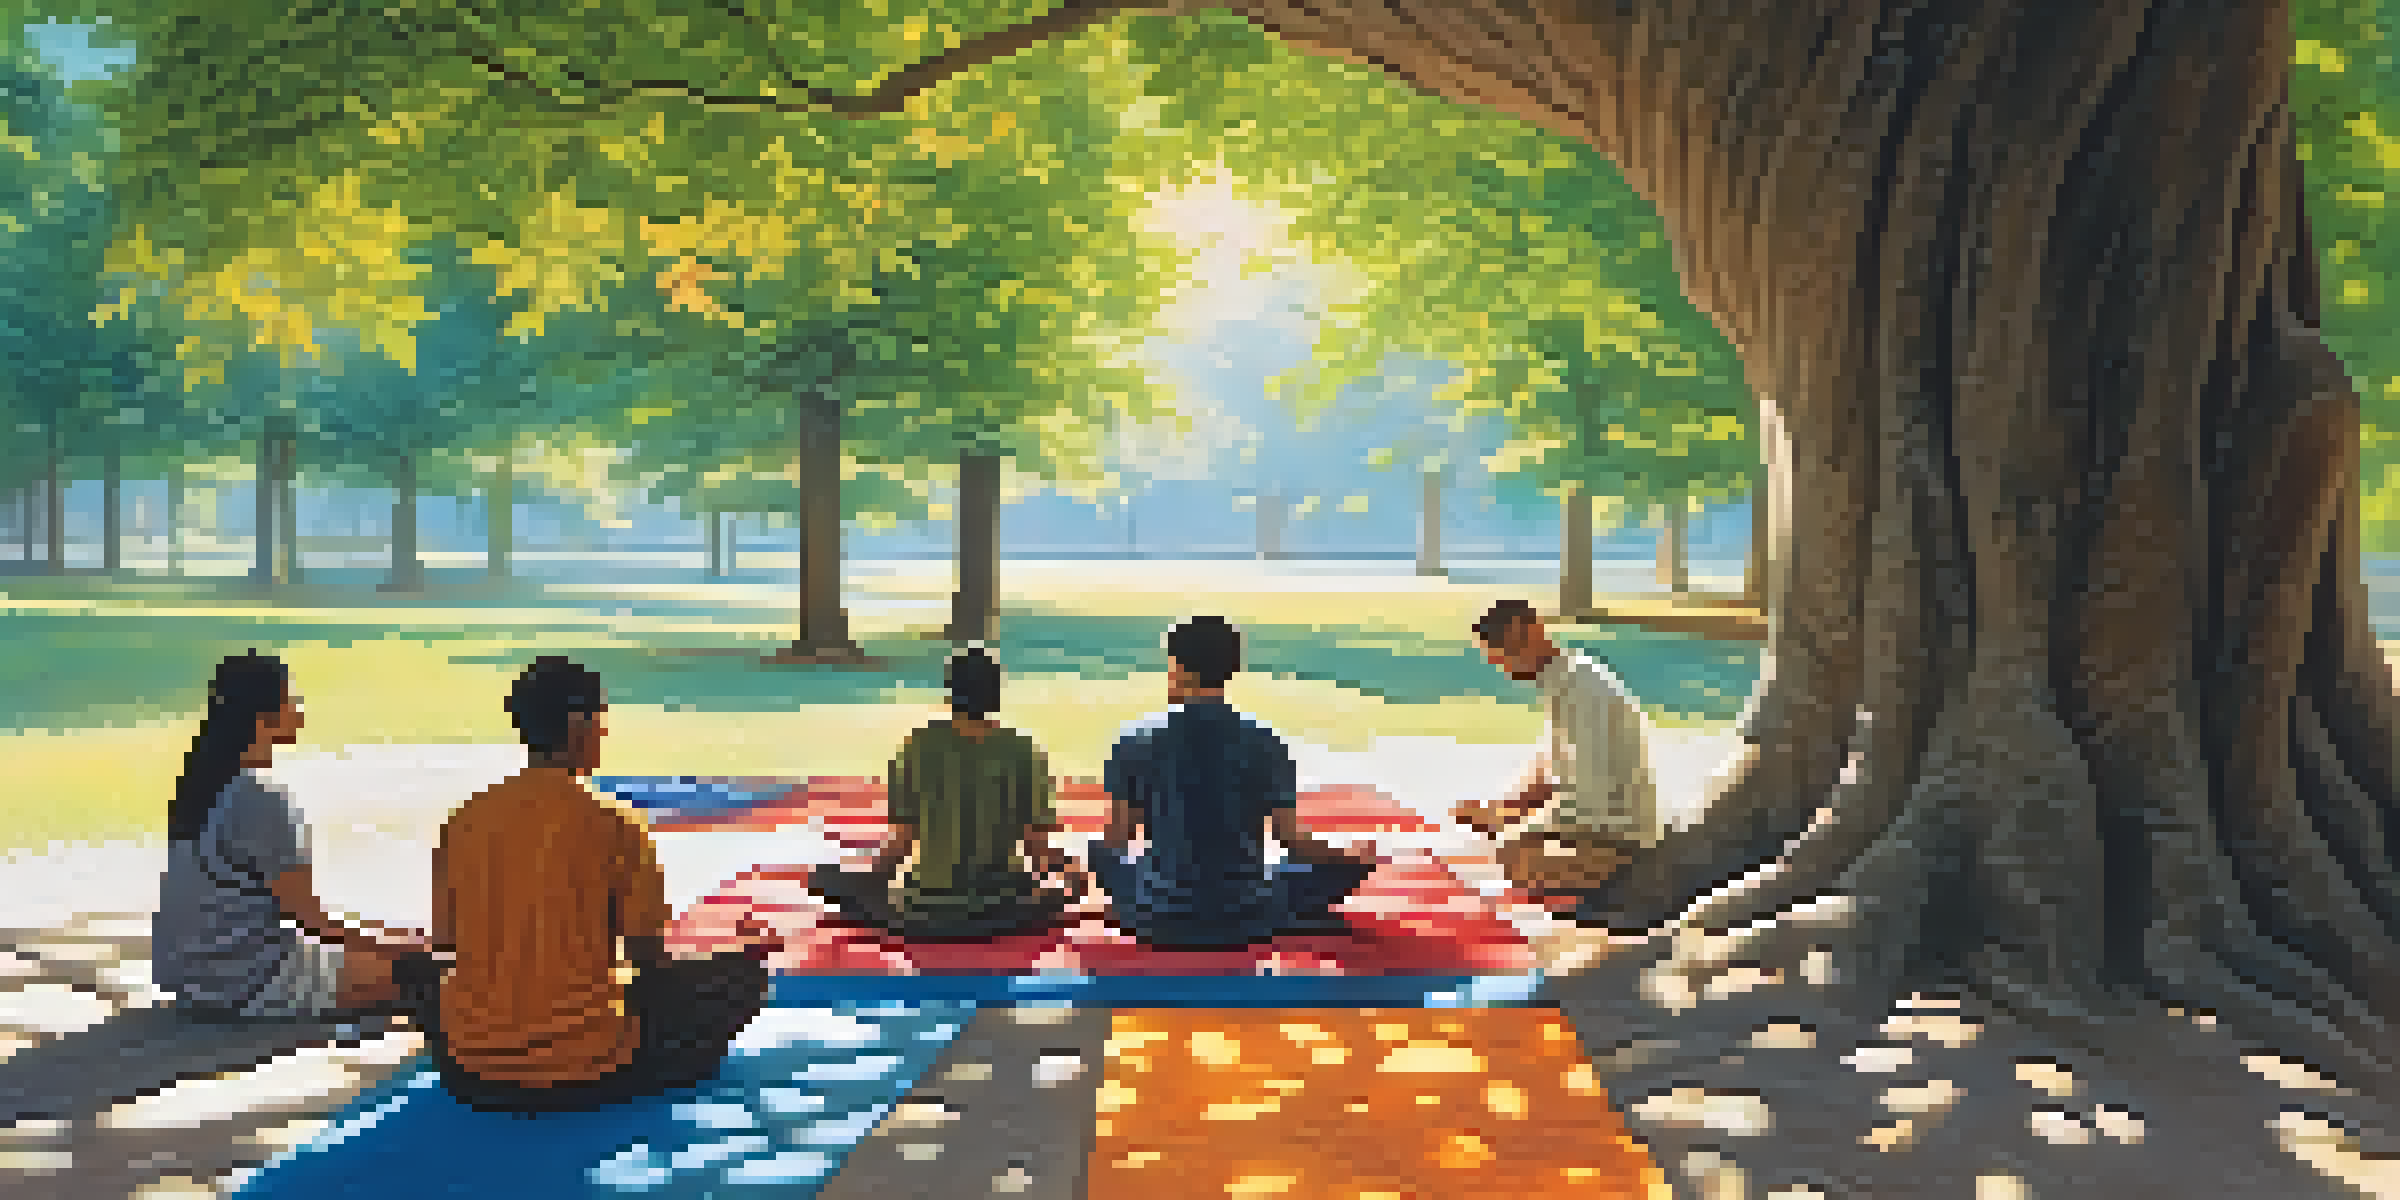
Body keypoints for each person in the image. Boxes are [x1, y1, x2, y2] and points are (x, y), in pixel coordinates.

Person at [405, 656, 767, 1113]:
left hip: (472, 1071)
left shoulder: (465, 820)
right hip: (588, 1066)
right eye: (602, 721)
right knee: (741, 974)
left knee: (417, 969)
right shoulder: (613, 821)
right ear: (581, 725)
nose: (604, 734)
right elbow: (647, 959)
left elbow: (448, 944)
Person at [154, 650, 426, 1022]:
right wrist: (400, 947)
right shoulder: (260, 798)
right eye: (292, 698)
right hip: (244, 981)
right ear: (265, 717)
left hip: (188, 978)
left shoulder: (203, 786)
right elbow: (311, 920)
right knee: (426, 976)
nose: (299, 709)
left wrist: (389, 935)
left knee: (399, 947)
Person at [1088, 615, 1380, 948]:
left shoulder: (1133, 739)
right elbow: (1292, 842)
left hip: (1156, 914)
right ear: (1231, 669)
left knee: (1101, 855)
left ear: (1178, 668)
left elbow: (1117, 841)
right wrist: (1350, 856)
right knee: (1328, 867)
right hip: (1247, 910)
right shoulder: (1264, 740)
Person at [809, 645, 1085, 939]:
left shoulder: (919, 746)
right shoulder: (1024, 751)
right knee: (1052, 899)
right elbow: (1037, 848)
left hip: (928, 905)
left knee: (832, 879)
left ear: (949, 693)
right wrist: (1071, 873)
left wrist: (867, 887)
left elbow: (902, 841)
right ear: (997, 695)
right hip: (1006, 905)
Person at [1453, 599, 1662, 902]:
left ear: (1533, 634)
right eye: (1498, 661)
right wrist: (1499, 810)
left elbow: (1590, 798)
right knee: (1500, 842)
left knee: (1513, 856)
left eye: (1506, 658)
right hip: (1594, 823)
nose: (1506, 671)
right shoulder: (1565, 683)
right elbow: (1549, 769)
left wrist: (1515, 827)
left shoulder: (1584, 690)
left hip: (1620, 837)